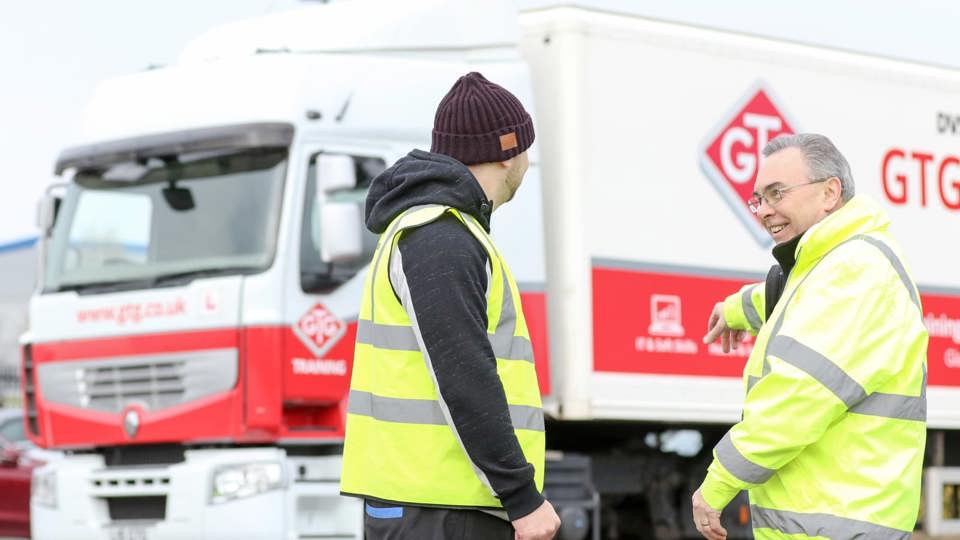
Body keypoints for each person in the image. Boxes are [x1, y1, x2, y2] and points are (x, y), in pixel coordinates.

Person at [340, 72, 561, 540]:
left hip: (427, 502)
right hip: (443, 507)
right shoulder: (442, 234)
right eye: (525, 147)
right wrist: (521, 495)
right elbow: (464, 372)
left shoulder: (433, 227)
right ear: (508, 152)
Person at [695, 133, 928, 539]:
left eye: (776, 193)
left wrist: (718, 482)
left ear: (829, 193)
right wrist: (736, 309)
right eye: (758, 200)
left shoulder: (854, 270)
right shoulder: (833, 265)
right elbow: (792, 299)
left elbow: (796, 396)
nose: (764, 211)